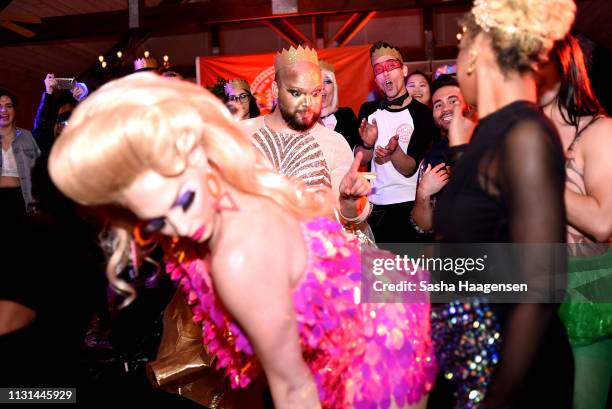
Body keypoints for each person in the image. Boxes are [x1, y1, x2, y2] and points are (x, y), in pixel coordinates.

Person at [48, 73, 435, 409]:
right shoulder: (222, 193)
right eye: (156, 220)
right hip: (373, 305)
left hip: (378, 345)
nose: (182, 224)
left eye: (184, 199)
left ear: (197, 158)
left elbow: (293, 387)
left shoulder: (237, 257)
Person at [431, 0, 576, 408]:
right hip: (469, 363)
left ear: (475, 50)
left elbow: (540, 288)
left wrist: (497, 398)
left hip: (509, 377)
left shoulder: (524, 134)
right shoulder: (488, 136)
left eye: (459, 46)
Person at [539, 34, 612, 409]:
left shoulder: (599, 131)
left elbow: (602, 221)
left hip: (587, 287)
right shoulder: (526, 135)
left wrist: (535, 174)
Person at [243, 46, 372, 229]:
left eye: (316, 93)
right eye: (296, 93)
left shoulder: (333, 142)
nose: (308, 104)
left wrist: (350, 201)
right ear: (275, 89)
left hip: (316, 253)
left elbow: (351, 216)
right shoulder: (240, 135)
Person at [355, 41, 437, 243]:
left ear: (404, 70)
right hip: (377, 207)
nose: (385, 74)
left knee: (414, 272)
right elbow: (361, 159)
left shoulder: (423, 114)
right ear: (375, 78)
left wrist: (394, 152)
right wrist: (367, 144)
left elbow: (409, 167)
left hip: (411, 205)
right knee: (380, 272)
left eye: (391, 67)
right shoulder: (368, 110)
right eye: (379, 70)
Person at [411, 74, 470, 236]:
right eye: (438, 105)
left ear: (468, 104)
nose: (445, 109)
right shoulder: (433, 157)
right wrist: (423, 193)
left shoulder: (489, 142)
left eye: (453, 101)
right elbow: (423, 226)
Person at [0, 88, 40, 216]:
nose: (3, 110)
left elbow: (38, 170)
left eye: (8, 106)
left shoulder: (27, 136)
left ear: (14, 110)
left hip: (20, 201)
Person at [319, 60, 361, 150]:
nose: (322, 86)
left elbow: (356, 153)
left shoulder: (346, 116)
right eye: (317, 81)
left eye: (327, 81)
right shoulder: (303, 120)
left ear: (334, 87)